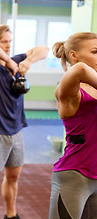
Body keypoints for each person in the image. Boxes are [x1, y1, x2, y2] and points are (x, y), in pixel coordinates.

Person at [0, 24, 49, 219]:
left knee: (13, 177)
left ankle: (11, 214)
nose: (8, 46)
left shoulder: (16, 61)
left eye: (9, 42)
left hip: (16, 131)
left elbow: (44, 50)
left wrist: (28, 60)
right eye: (3, 42)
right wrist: (9, 61)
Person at [48, 32, 97, 219]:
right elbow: (80, 70)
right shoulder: (68, 90)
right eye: (95, 51)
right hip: (74, 176)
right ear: (74, 55)